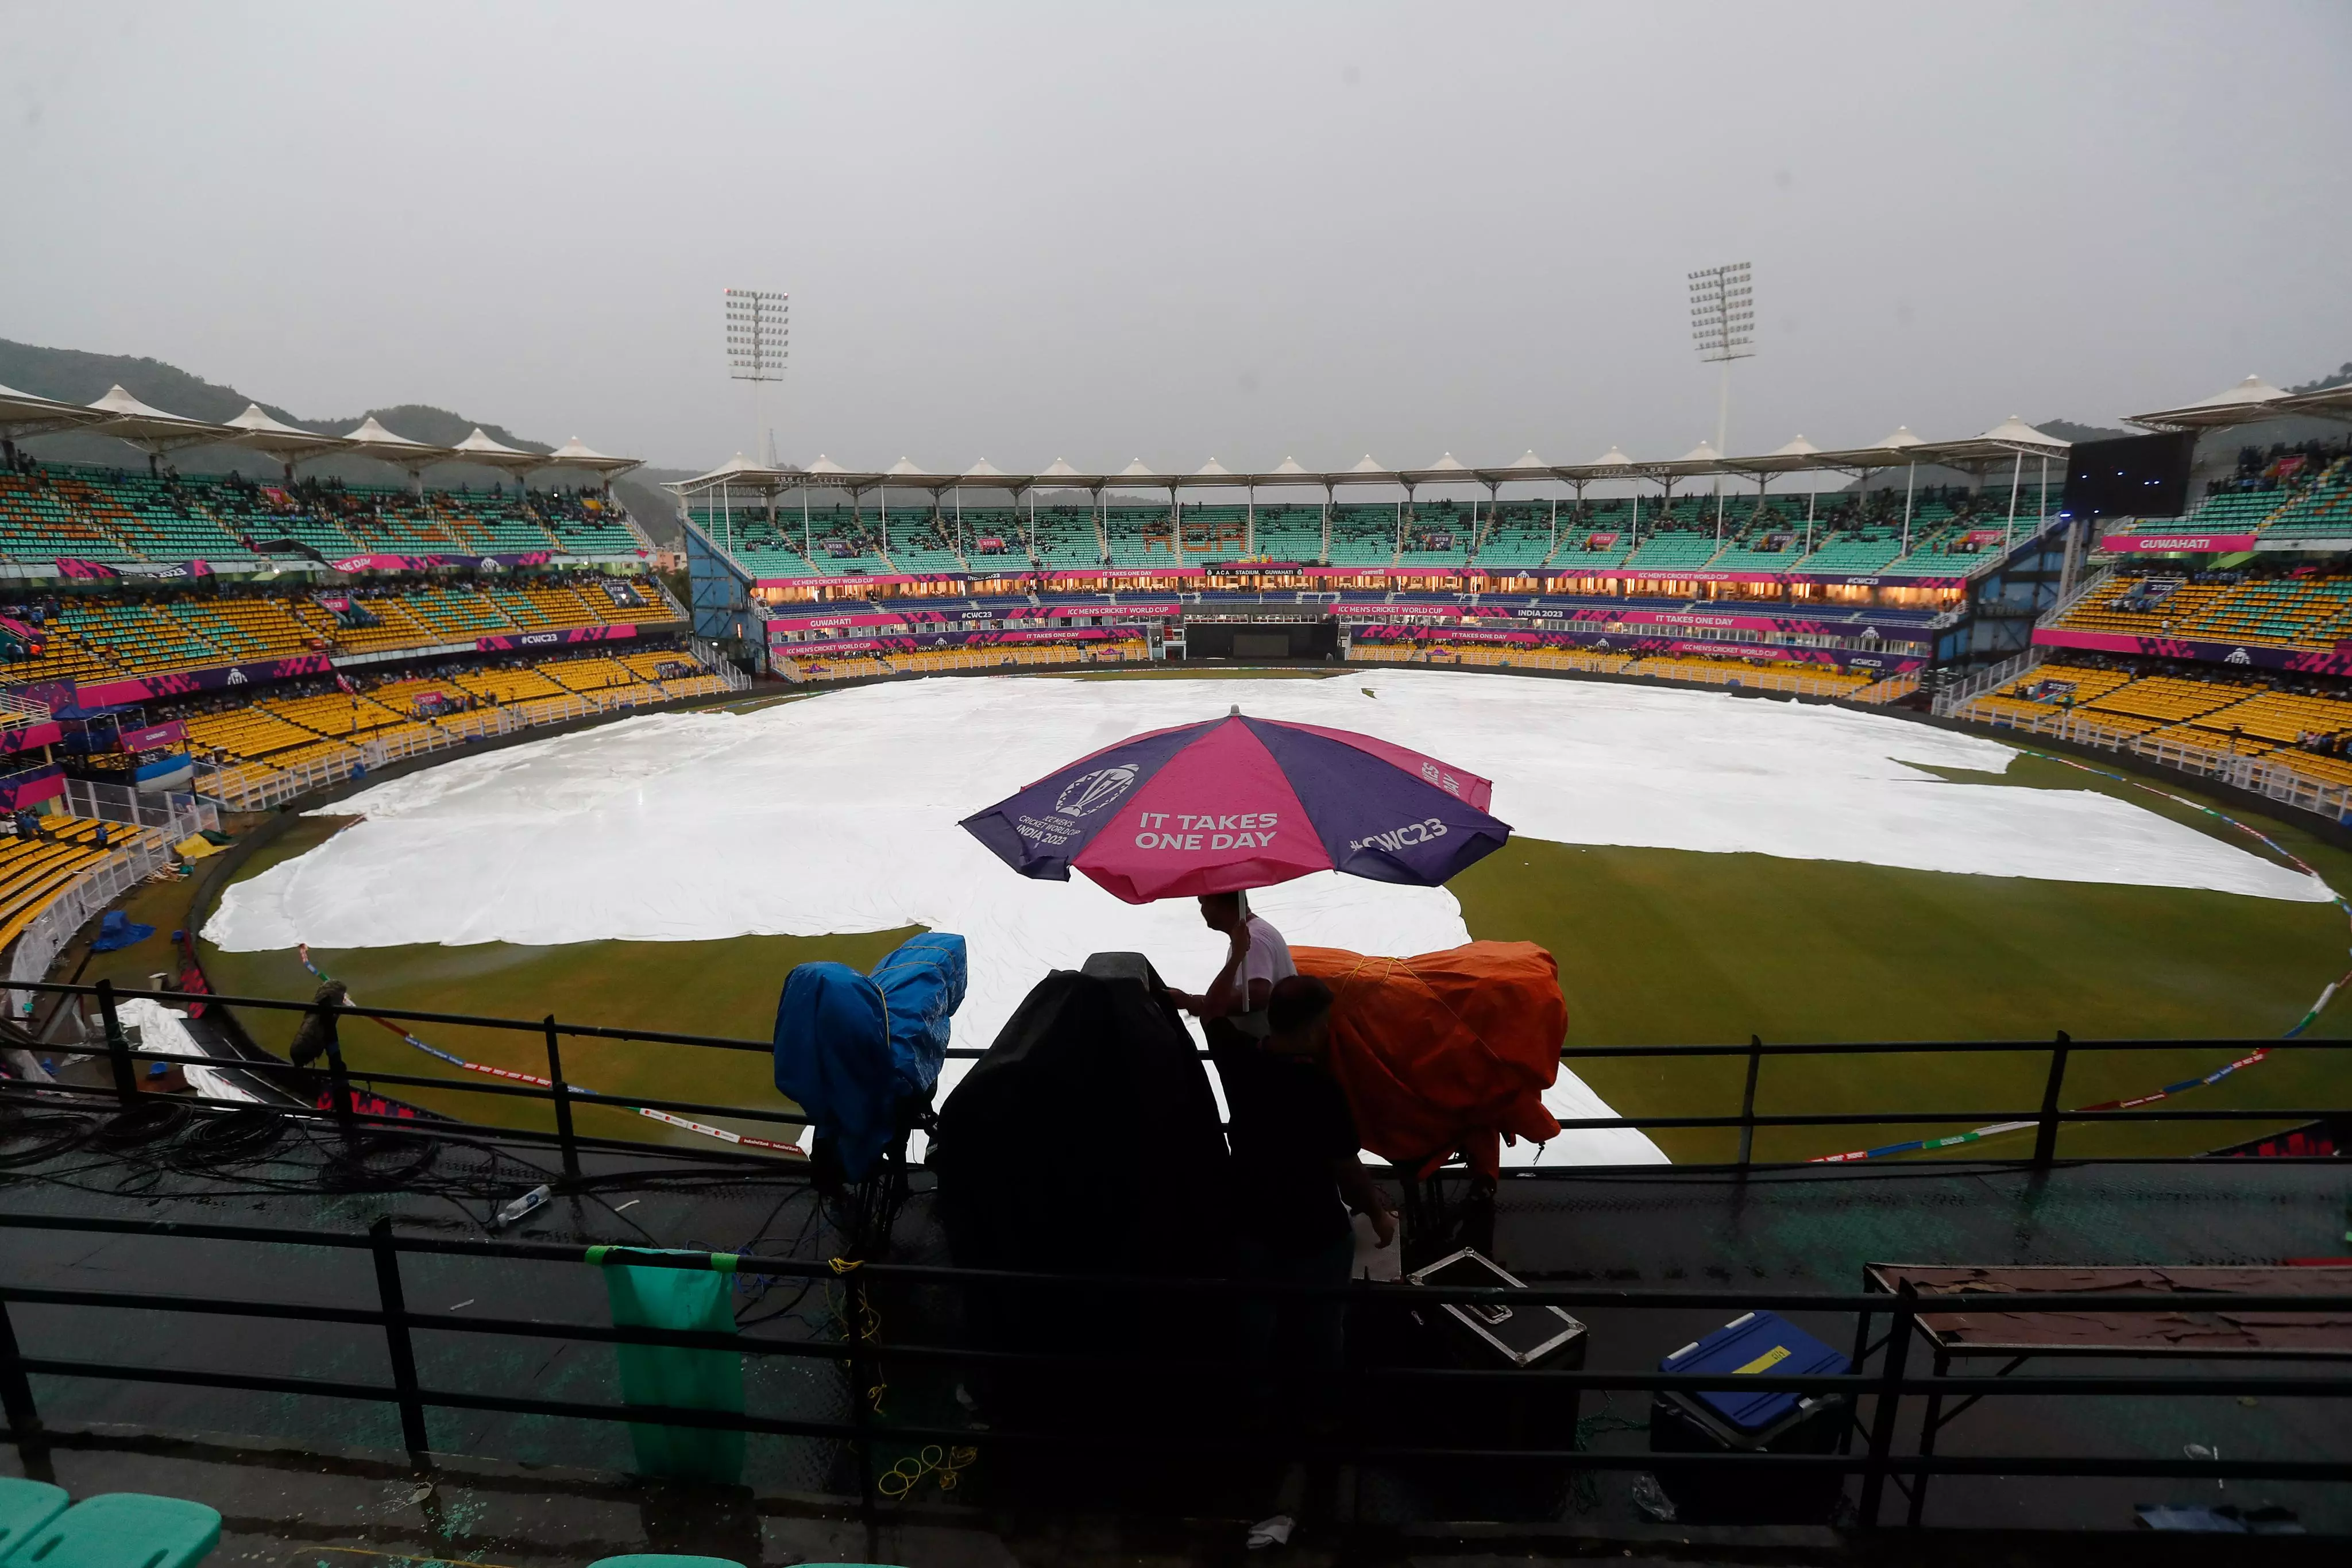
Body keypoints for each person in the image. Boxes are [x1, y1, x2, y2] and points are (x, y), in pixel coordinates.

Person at [1167, 890, 1293, 1032]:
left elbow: (1257, 996)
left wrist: (1202, 1005)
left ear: (1216, 902)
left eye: (1203, 903)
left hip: (1262, 1048)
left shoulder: (1253, 939)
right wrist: (1191, 1001)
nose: (1202, 910)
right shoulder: (1250, 934)